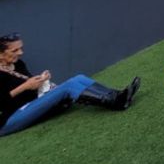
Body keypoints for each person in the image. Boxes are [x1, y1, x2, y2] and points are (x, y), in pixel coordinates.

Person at [0, 33, 141, 136]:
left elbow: (29, 83)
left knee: (78, 78)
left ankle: (116, 95)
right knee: (69, 86)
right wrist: (25, 86)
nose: (21, 52)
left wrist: (41, 80)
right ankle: (116, 102)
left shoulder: (18, 64)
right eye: (15, 50)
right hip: (8, 120)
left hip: (31, 104)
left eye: (21, 48)